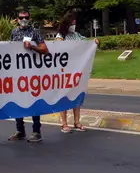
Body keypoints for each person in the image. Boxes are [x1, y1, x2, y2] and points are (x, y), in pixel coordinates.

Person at [9, 8, 49, 143]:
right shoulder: (14, 32)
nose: (23, 20)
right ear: (17, 19)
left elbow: (45, 49)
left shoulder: (35, 32)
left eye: (26, 17)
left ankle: (36, 131)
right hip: (18, 72)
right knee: (18, 101)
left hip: (32, 73)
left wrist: (32, 47)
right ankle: (20, 130)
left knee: (34, 101)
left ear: (29, 18)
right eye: (21, 18)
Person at [54, 14, 93, 134]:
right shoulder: (61, 36)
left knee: (76, 95)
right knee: (64, 97)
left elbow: (86, 44)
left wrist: (93, 43)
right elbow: (58, 50)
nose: (74, 25)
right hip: (64, 72)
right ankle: (64, 123)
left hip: (76, 71)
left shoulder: (77, 35)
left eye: (74, 23)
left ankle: (77, 121)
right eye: (72, 23)